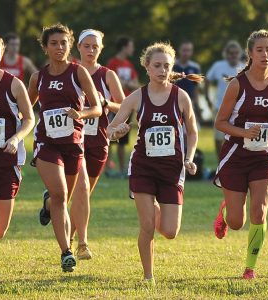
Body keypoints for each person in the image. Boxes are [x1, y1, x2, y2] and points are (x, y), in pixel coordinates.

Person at [107, 42, 202, 285]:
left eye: (166, 66)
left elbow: (192, 132)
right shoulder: (136, 97)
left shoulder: (181, 97)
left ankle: (154, 208)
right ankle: (148, 276)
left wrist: (189, 158)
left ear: (172, 68)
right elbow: (110, 131)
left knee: (170, 232)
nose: (161, 70)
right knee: (147, 225)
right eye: (157, 65)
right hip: (143, 168)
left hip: (172, 169)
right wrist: (119, 130)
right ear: (147, 67)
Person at [213, 30, 268, 279]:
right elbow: (220, 123)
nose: (265, 54)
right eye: (259, 50)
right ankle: (226, 212)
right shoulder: (237, 84)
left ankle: (250, 268)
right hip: (236, 155)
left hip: (263, 156)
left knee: (259, 212)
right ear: (250, 53)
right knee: (237, 222)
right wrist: (243, 133)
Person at [28, 24, 102, 272]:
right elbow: (26, 108)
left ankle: (48, 203)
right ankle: (66, 252)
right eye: (54, 43)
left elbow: (97, 108)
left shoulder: (78, 72)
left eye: (63, 43)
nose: (59, 48)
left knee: (63, 199)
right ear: (45, 47)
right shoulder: (38, 77)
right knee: (60, 195)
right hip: (46, 144)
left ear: (70, 45)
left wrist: (80, 113)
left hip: (73, 144)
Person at [67, 29, 124, 259]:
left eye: (95, 47)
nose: (91, 50)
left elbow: (124, 104)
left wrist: (106, 103)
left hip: (98, 140)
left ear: (101, 49)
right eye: (87, 46)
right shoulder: (69, 71)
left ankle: (65, 234)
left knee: (83, 195)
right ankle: (81, 244)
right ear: (78, 47)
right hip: (71, 139)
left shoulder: (107, 75)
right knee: (79, 191)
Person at [0, 35, 35, 281]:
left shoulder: (14, 84)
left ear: (1, 54)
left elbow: (29, 118)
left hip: (7, 160)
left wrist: (16, 138)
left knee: (0, 229)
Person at [106, 36, 139, 177]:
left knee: (123, 139)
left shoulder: (129, 65)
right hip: (114, 105)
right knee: (110, 136)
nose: (132, 49)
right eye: (130, 46)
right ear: (124, 47)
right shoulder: (112, 63)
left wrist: (126, 83)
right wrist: (127, 83)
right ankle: (107, 168)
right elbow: (111, 81)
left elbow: (135, 84)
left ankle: (121, 168)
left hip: (127, 105)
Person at [205, 40, 244, 158]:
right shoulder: (218, 66)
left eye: (236, 53)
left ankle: (235, 163)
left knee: (238, 138)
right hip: (220, 107)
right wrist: (207, 98)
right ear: (226, 54)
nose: (233, 55)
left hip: (238, 109)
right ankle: (220, 162)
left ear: (240, 54)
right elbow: (207, 79)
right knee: (218, 139)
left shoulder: (244, 67)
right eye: (231, 53)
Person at [173, 40, 202, 123]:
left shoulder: (195, 68)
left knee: (189, 129)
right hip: (173, 102)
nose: (186, 53)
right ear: (179, 50)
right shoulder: (172, 66)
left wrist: (197, 105)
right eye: (184, 50)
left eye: (188, 50)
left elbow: (196, 88)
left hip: (189, 102)